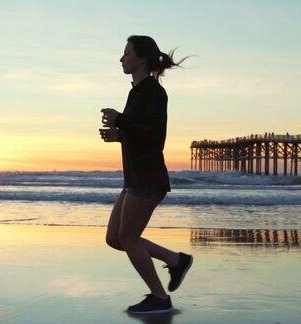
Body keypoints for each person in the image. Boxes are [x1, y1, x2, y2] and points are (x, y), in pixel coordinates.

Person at [98, 35, 193, 315]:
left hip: (148, 178)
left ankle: (160, 297)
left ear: (140, 58)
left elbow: (154, 138)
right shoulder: (136, 92)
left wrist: (121, 120)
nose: (121, 58)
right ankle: (175, 260)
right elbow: (139, 133)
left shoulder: (154, 91)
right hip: (134, 178)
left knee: (128, 238)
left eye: (126, 53)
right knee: (115, 239)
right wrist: (119, 134)